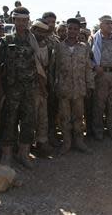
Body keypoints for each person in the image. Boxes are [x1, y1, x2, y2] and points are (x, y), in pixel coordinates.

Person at [0, 7, 44, 168]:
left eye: (25, 20)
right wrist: (1, 90)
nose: (22, 23)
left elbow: (38, 65)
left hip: (30, 88)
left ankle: (23, 154)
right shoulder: (7, 39)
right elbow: (0, 67)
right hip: (12, 89)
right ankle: (7, 155)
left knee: (28, 121)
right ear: (13, 20)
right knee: (9, 121)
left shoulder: (32, 40)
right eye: (19, 20)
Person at [53, 18, 95, 154]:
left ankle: (79, 142)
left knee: (78, 117)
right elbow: (54, 69)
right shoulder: (59, 47)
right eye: (69, 28)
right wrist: (55, 85)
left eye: (75, 29)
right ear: (66, 29)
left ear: (79, 31)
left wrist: (90, 85)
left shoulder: (83, 48)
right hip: (64, 89)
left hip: (79, 88)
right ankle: (66, 143)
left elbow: (88, 68)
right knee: (64, 118)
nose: (72, 31)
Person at [91, 15, 112, 141]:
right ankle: (98, 131)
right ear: (101, 25)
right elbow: (87, 56)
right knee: (99, 104)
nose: (110, 26)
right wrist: (95, 66)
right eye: (107, 23)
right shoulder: (94, 39)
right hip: (101, 75)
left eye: (111, 23)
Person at [30, 20, 53, 157]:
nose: (40, 34)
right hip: (31, 87)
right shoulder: (29, 45)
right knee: (30, 118)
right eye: (38, 30)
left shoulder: (48, 46)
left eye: (43, 31)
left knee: (43, 117)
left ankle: (41, 143)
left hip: (44, 86)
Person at [41, 12, 61, 147]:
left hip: (54, 81)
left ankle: (51, 135)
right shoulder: (37, 38)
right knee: (40, 112)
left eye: (53, 22)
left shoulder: (56, 40)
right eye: (48, 22)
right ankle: (41, 140)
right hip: (40, 81)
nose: (51, 25)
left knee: (53, 109)